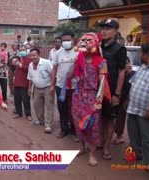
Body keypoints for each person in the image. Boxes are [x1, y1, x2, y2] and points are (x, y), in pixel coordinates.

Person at [70, 32, 108, 167]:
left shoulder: (101, 62)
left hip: (92, 96)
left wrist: (99, 102)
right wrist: (75, 63)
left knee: (93, 125)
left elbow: (103, 83)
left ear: (96, 44)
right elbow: (70, 77)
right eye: (83, 40)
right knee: (78, 122)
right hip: (77, 95)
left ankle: (92, 153)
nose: (85, 43)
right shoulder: (78, 58)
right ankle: (82, 147)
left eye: (88, 40)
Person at [127, 43, 149, 178]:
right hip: (134, 107)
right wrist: (126, 101)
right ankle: (138, 155)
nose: (140, 56)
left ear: (147, 54)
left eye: (141, 53)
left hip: (147, 111)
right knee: (133, 134)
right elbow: (133, 84)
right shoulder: (142, 67)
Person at [100, 19, 127, 160]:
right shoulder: (98, 47)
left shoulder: (119, 49)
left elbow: (122, 71)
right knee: (98, 118)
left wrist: (117, 94)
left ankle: (106, 146)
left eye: (108, 28)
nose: (103, 31)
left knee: (109, 119)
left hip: (111, 91)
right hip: (97, 91)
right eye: (102, 28)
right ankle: (99, 141)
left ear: (115, 32)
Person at [50, 31, 79, 142]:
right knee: (62, 109)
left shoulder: (78, 52)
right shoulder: (58, 53)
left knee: (73, 109)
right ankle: (64, 129)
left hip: (74, 87)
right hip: (60, 86)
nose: (66, 42)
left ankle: (73, 131)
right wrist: (52, 85)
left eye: (68, 40)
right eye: (64, 40)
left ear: (73, 40)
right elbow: (54, 69)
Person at [27, 49, 54, 134]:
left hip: (47, 87)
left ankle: (48, 125)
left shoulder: (46, 62)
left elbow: (53, 73)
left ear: (39, 55)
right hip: (37, 88)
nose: (32, 57)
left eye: (34, 55)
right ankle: (41, 120)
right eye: (31, 55)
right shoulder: (30, 65)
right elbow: (30, 77)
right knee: (36, 104)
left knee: (49, 106)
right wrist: (29, 88)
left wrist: (52, 85)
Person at [112, 58, 135, 145]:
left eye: (126, 64)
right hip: (120, 99)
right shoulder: (120, 75)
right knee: (118, 118)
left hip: (127, 100)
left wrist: (127, 100)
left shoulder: (133, 75)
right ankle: (118, 135)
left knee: (122, 118)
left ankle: (120, 136)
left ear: (129, 64)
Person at [12, 54, 32, 121]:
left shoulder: (28, 59)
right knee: (17, 99)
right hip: (16, 82)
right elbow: (12, 68)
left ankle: (28, 114)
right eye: (20, 50)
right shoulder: (18, 58)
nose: (22, 52)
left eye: (23, 50)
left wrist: (20, 65)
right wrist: (13, 63)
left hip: (24, 83)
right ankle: (18, 113)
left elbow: (29, 69)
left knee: (26, 100)